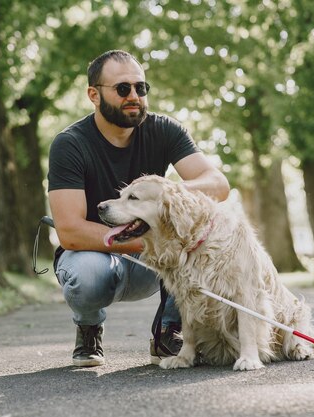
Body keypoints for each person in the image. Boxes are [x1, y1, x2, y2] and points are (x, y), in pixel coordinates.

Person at [47, 50, 230, 367]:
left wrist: (168, 193)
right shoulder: (69, 144)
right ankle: (89, 327)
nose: (134, 96)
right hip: (94, 255)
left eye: (140, 87)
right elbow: (71, 232)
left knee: (197, 233)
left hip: (149, 260)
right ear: (94, 94)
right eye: (122, 88)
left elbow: (217, 184)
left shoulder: (164, 129)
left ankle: (170, 331)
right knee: (87, 274)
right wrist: (157, 242)